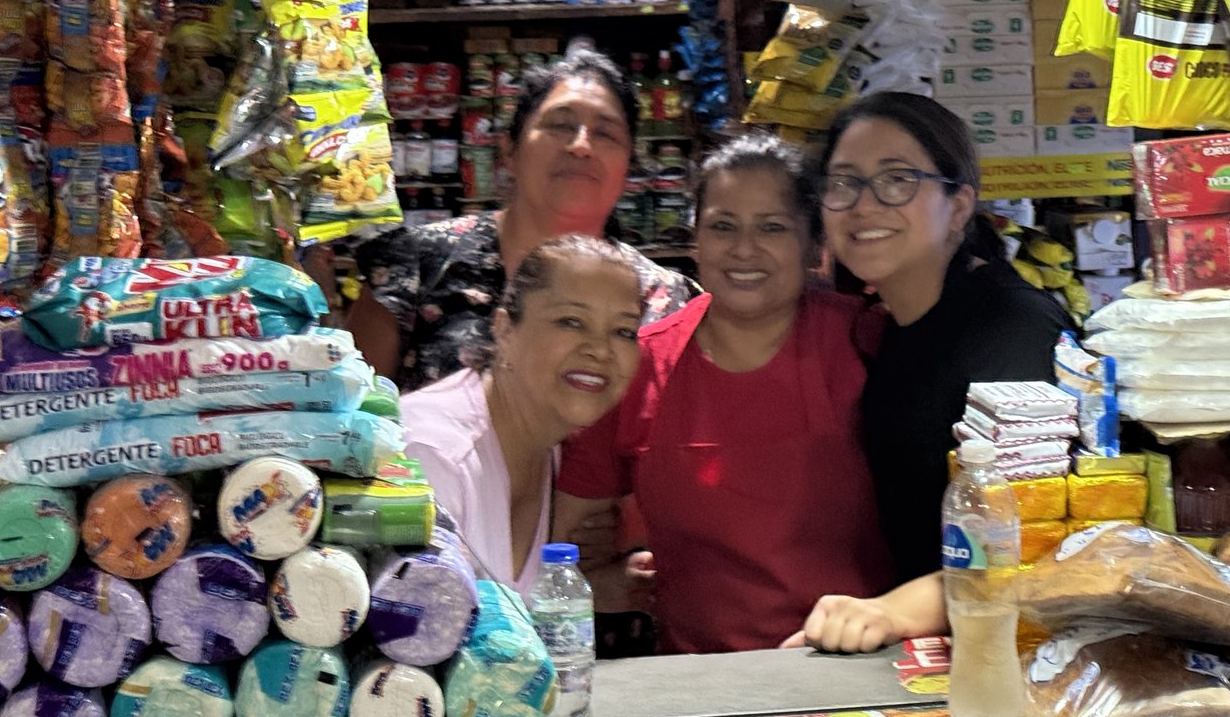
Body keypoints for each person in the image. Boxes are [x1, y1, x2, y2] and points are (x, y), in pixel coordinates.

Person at [553, 134, 896, 653]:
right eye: (722, 226)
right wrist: (616, 579)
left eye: (772, 227)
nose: (744, 249)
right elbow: (565, 548)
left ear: (813, 246)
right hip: (701, 683)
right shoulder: (639, 367)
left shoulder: (867, 342)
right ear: (695, 240)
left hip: (860, 666)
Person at [789, 92, 1068, 652]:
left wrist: (892, 611)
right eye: (844, 182)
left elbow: (1036, 545)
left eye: (897, 180)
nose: (864, 205)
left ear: (958, 206)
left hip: (1014, 655)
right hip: (939, 650)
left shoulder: (1011, 327)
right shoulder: (891, 323)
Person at [352, 43, 693, 389]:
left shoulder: (663, 301)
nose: (581, 145)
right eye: (560, 125)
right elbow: (349, 408)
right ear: (510, 150)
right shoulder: (416, 265)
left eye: (605, 133)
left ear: (628, 167)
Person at [400, 236, 646, 588]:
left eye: (624, 331)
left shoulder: (554, 449)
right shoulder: (434, 456)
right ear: (504, 330)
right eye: (571, 321)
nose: (601, 350)